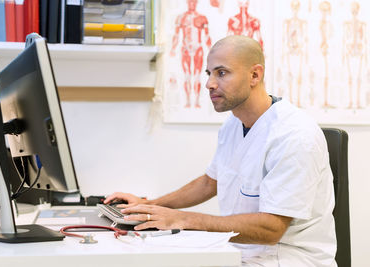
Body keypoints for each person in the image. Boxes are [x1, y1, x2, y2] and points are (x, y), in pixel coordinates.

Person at [105, 35, 337, 266]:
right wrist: (151, 205)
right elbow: (210, 182)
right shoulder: (233, 124)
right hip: (240, 251)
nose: (209, 84)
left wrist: (183, 219)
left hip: (287, 258)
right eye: (209, 74)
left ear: (254, 75)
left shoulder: (294, 134)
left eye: (221, 73)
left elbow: (272, 229)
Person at [170, 0, 212, 108]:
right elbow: (176, 34)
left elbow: (207, 36)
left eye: (194, 2)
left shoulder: (202, 18)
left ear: (196, 3)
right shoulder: (181, 17)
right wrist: (173, 48)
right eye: (190, 2)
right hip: (185, 49)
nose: (192, 4)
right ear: (187, 3)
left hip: (198, 48)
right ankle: (188, 101)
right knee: (187, 76)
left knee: (197, 76)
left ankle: (197, 101)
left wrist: (211, 49)